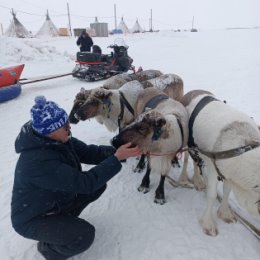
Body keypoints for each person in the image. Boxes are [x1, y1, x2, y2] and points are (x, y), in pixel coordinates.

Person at [11, 96, 142, 260]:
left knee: (98, 185)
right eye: (63, 125)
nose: (69, 126)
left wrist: (122, 152)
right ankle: (47, 248)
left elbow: (89, 152)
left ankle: (63, 222)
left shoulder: (57, 140)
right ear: (50, 130)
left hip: (52, 203)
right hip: (32, 218)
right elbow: (86, 183)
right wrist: (116, 159)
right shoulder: (38, 162)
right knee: (83, 236)